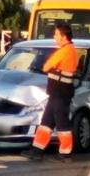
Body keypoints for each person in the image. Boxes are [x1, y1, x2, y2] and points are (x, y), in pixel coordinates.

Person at [21, 22, 78, 163]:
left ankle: (65, 154)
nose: (54, 36)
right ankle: (37, 150)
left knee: (62, 124)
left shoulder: (65, 51)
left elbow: (46, 67)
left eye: (56, 34)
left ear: (64, 36)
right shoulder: (69, 50)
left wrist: (48, 66)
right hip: (58, 93)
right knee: (46, 123)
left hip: (60, 93)